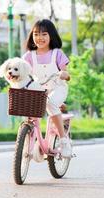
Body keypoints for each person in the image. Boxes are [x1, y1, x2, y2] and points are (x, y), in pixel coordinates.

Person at [22, 19, 72, 157]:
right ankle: (30, 138)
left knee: (50, 103)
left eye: (44, 34)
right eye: (36, 34)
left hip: (58, 88)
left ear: (51, 36)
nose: (40, 38)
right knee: (29, 108)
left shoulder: (57, 53)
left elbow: (67, 74)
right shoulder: (29, 56)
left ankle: (63, 140)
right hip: (40, 90)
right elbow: (22, 71)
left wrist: (64, 74)